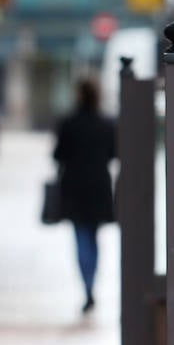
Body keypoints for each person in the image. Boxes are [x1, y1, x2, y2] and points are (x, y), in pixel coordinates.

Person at [53, 77, 117, 314]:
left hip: (75, 187)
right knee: (93, 238)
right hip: (99, 187)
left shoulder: (69, 123)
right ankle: (91, 285)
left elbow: (58, 154)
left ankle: (87, 288)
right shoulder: (107, 123)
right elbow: (114, 153)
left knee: (81, 238)